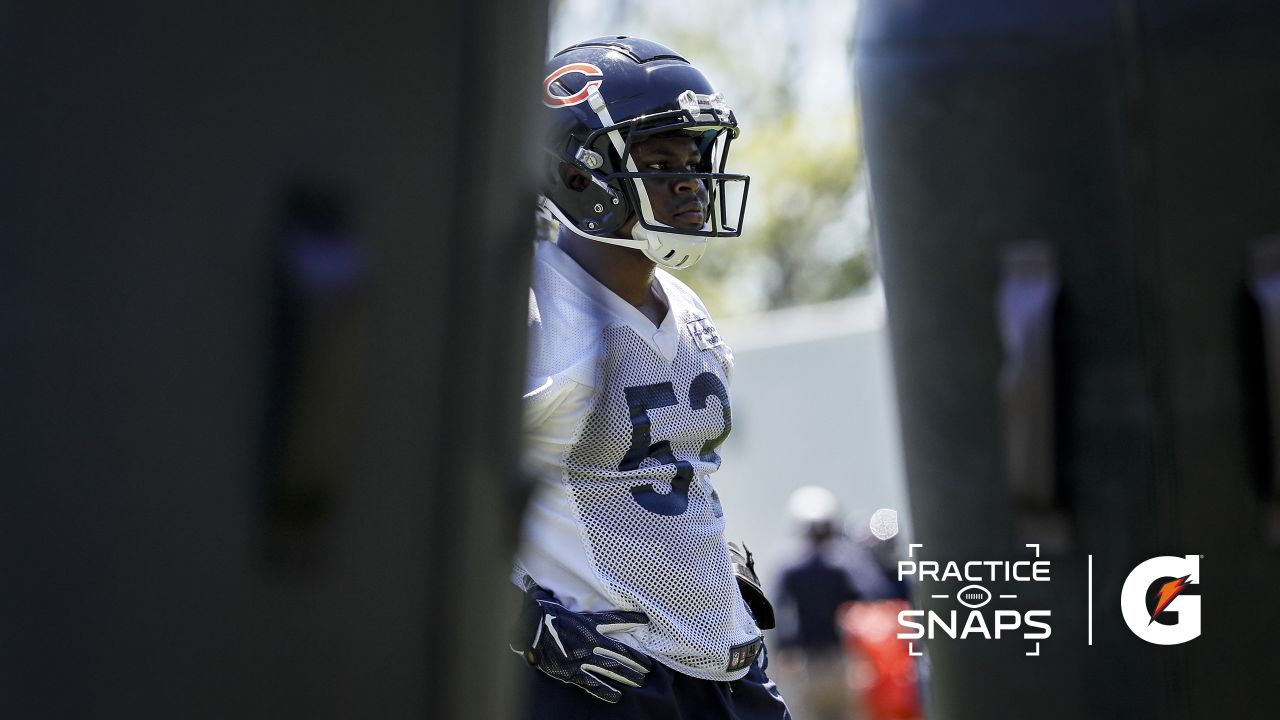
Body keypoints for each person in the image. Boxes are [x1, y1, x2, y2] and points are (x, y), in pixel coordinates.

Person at [509, 35, 790, 719]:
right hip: (605, 671)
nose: (690, 180)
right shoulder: (535, 310)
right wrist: (518, 621)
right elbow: (425, 497)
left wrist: (713, 558)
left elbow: (661, 468)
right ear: (578, 176)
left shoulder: (684, 305)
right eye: (660, 161)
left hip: (720, 660)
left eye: (693, 158)